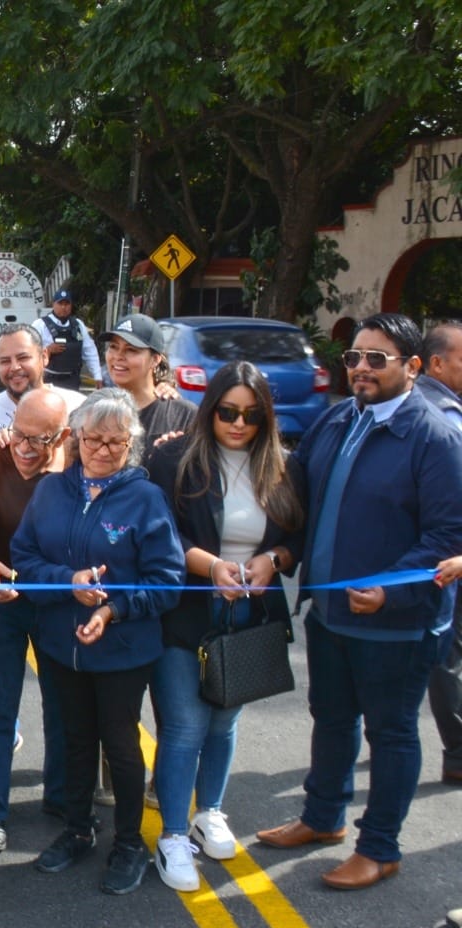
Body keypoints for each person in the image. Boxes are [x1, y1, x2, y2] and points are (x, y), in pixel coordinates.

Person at [257, 312, 462, 890]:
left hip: (393, 623)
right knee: (332, 718)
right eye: (353, 358)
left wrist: (390, 591)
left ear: (414, 367)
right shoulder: (339, 419)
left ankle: (380, 847)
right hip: (330, 612)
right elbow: (292, 492)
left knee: (391, 733)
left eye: (377, 359)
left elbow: (447, 538)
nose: (361, 369)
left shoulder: (434, 436)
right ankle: (322, 819)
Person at [11, 388, 184, 895]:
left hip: (123, 649)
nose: (103, 451)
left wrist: (112, 607)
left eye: (116, 442)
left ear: (131, 444)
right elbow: (23, 556)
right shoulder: (51, 491)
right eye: (93, 440)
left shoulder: (146, 499)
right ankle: (79, 828)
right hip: (61, 644)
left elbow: (167, 580)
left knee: (122, 745)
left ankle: (129, 842)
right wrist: (69, 581)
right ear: (77, 438)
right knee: (75, 740)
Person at [143, 361, 305, 891]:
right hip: (186, 609)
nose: (238, 424)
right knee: (185, 726)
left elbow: (294, 538)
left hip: (246, 612)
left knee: (223, 723)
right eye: (228, 412)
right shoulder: (173, 458)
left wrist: (273, 560)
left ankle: (209, 810)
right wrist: (211, 567)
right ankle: (170, 834)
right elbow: (160, 536)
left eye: (252, 415)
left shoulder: (282, 465)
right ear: (210, 410)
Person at [0, 389, 71, 853]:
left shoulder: (76, 464)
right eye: (18, 435)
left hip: (58, 595)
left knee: (63, 703)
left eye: (38, 441)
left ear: (62, 436)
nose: (24, 449)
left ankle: (64, 799)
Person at [416, 321, 462, 786]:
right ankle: (459, 752)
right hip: (446, 561)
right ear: (436, 364)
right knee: (446, 653)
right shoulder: (442, 416)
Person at [0, 325, 85, 437]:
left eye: (23, 358)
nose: (15, 367)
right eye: (5, 361)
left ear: (44, 357)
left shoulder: (77, 406)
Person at [101, 313, 197, 440]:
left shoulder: (182, 416)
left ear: (155, 359)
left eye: (131, 350)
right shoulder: (95, 411)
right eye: (113, 347)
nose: (118, 356)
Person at [34, 289, 101, 391]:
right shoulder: (40, 324)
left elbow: (90, 351)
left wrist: (97, 375)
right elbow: (28, 352)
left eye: (67, 304)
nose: (63, 307)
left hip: (72, 381)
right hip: (48, 382)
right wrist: (47, 350)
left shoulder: (78, 325)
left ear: (71, 305)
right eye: (60, 303)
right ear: (54, 304)